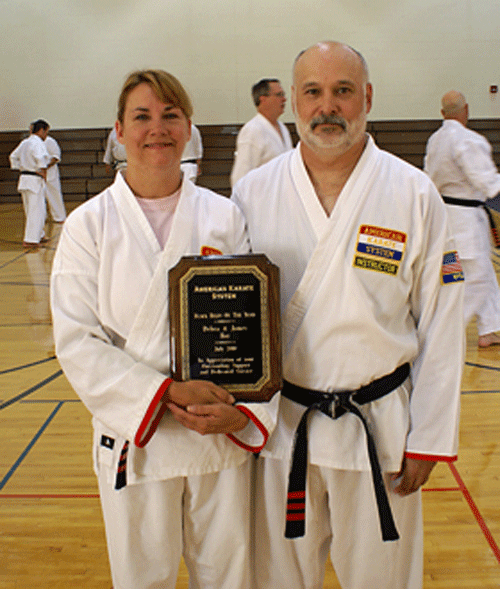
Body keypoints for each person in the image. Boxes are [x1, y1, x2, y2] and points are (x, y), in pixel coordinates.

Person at [232, 41, 464, 589]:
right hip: (282, 428)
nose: (327, 106)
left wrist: (429, 434)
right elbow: (234, 320)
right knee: (278, 581)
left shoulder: (413, 191)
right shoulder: (251, 193)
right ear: (293, 102)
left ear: (368, 99)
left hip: (381, 430)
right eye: (313, 92)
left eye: (343, 91)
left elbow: (442, 320)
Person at [51, 69, 278, 589]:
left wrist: (240, 410)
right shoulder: (89, 224)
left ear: (189, 127)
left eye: (170, 116)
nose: (158, 128)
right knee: (141, 580)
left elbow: (252, 329)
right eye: (143, 117)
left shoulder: (224, 217)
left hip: (215, 433)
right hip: (138, 435)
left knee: (229, 577)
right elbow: (77, 342)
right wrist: (164, 392)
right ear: (119, 131)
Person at [424, 90, 500, 348]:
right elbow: (488, 183)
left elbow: (428, 179)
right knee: (476, 278)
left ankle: (489, 329)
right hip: (467, 221)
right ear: (466, 110)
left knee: (474, 273)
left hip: (445, 219)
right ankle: (448, 332)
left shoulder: (435, 140)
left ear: (443, 113)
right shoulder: (468, 140)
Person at [230, 78, 293, 186]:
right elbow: (240, 177)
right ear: (263, 99)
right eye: (279, 95)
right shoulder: (252, 130)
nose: (284, 99)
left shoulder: (283, 128)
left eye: (283, 94)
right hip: (263, 197)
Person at [9, 119, 51, 248]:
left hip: (24, 178)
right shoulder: (37, 143)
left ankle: (39, 234)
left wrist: (21, 167)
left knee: (32, 209)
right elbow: (40, 158)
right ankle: (31, 240)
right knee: (36, 210)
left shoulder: (25, 142)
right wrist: (42, 171)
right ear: (41, 130)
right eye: (46, 132)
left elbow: (12, 156)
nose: (46, 136)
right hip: (34, 179)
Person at [44, 131, 67, 223]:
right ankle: (41, 218)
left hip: (50, 173)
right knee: (37, 198)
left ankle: (59, 217)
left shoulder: (50, 141)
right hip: (36, 174)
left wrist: (45, 167)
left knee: (54, 195)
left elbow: (56, 156)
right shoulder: (31, 142)